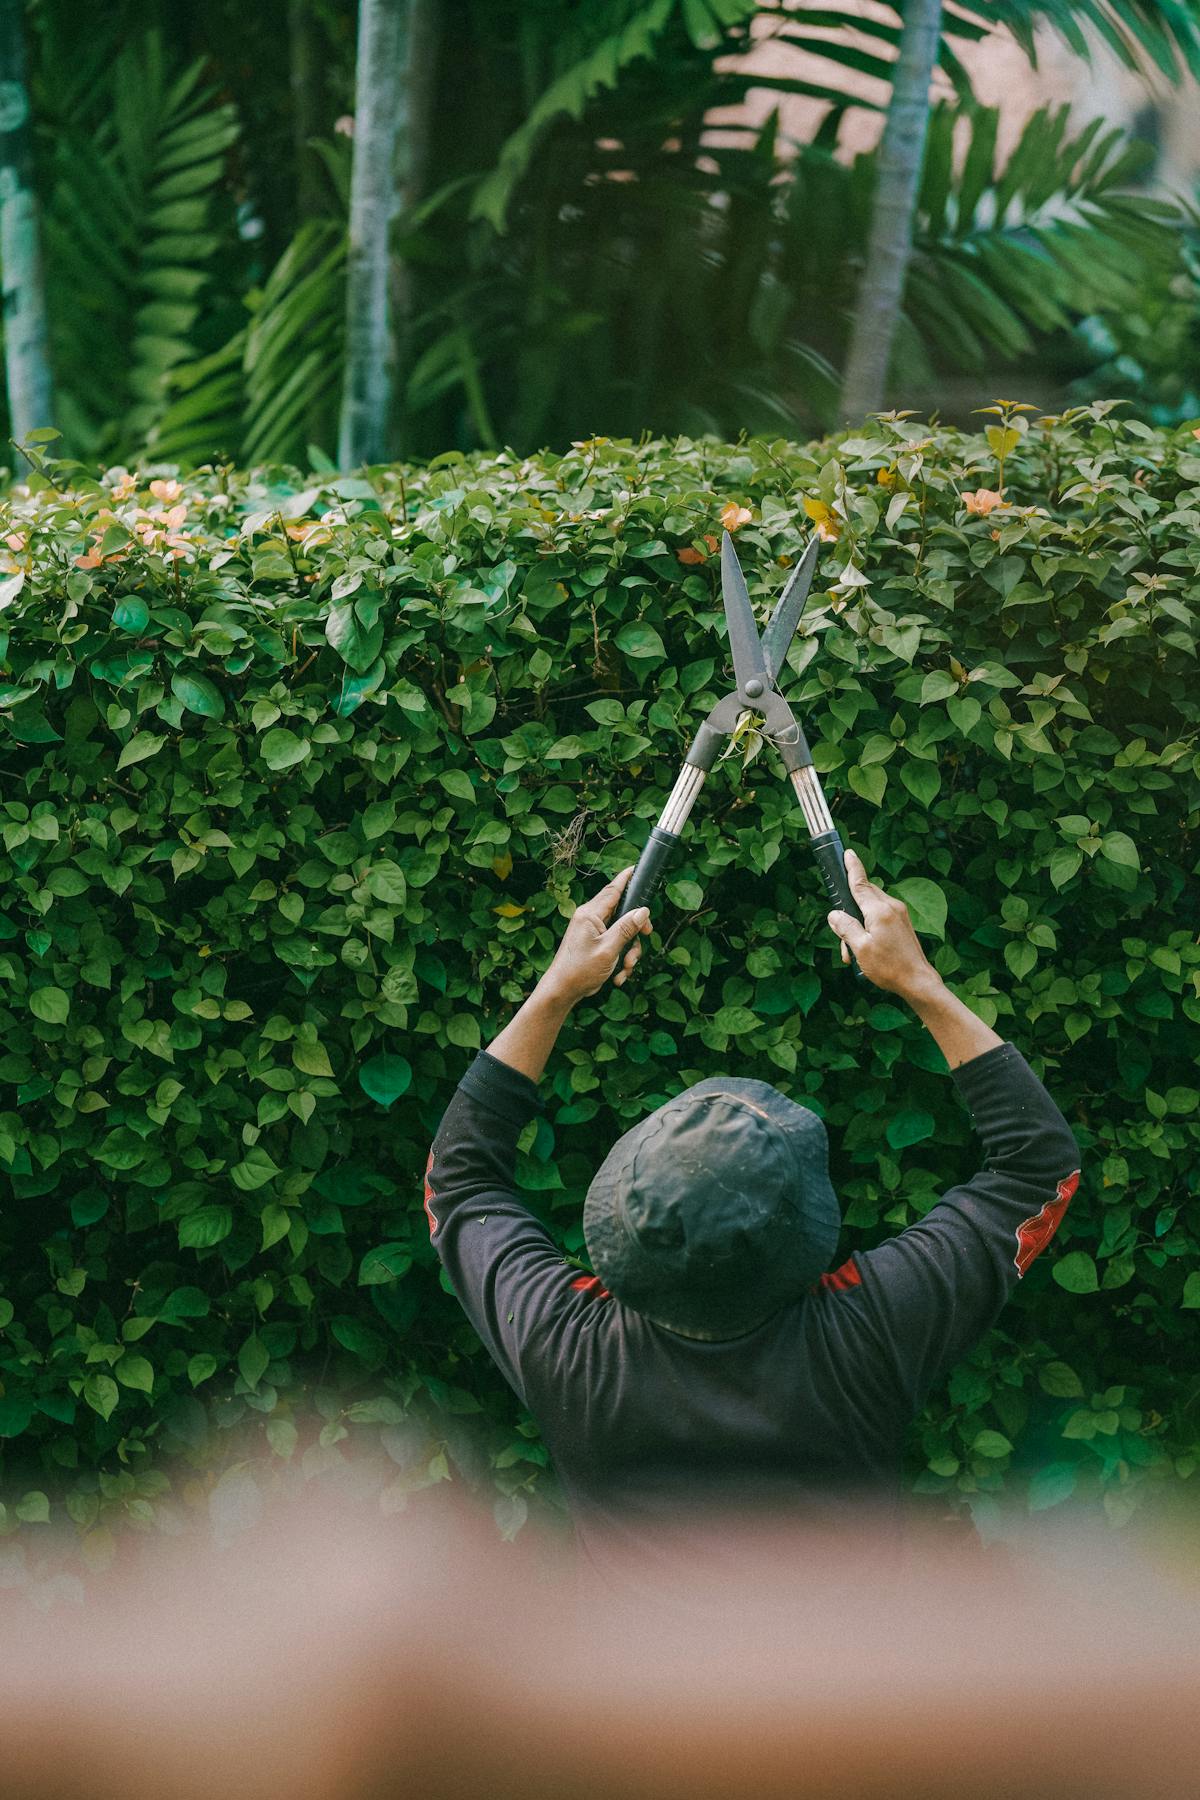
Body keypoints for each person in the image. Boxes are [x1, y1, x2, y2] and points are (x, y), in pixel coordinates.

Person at [424, 850, 1081, 1576]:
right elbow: (1038, 1169)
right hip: (847, 1686)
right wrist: (918, 983)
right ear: (804, 1229)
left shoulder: (567, 1351)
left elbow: (460, 1186)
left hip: (634, 1691)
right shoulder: (871, 1335)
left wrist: (556, 991)